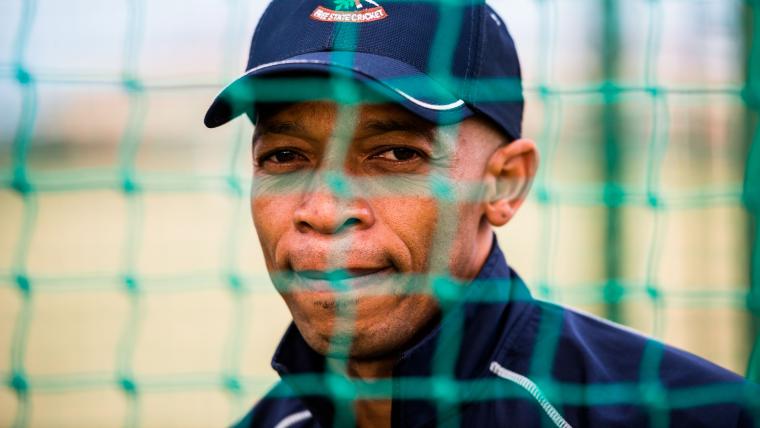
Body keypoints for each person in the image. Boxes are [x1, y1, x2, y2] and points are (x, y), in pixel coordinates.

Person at [205, 0, 760, 426]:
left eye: (396, 154)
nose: (323, 211)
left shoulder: (691, 413)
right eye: (284, 157)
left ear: (504, 182)